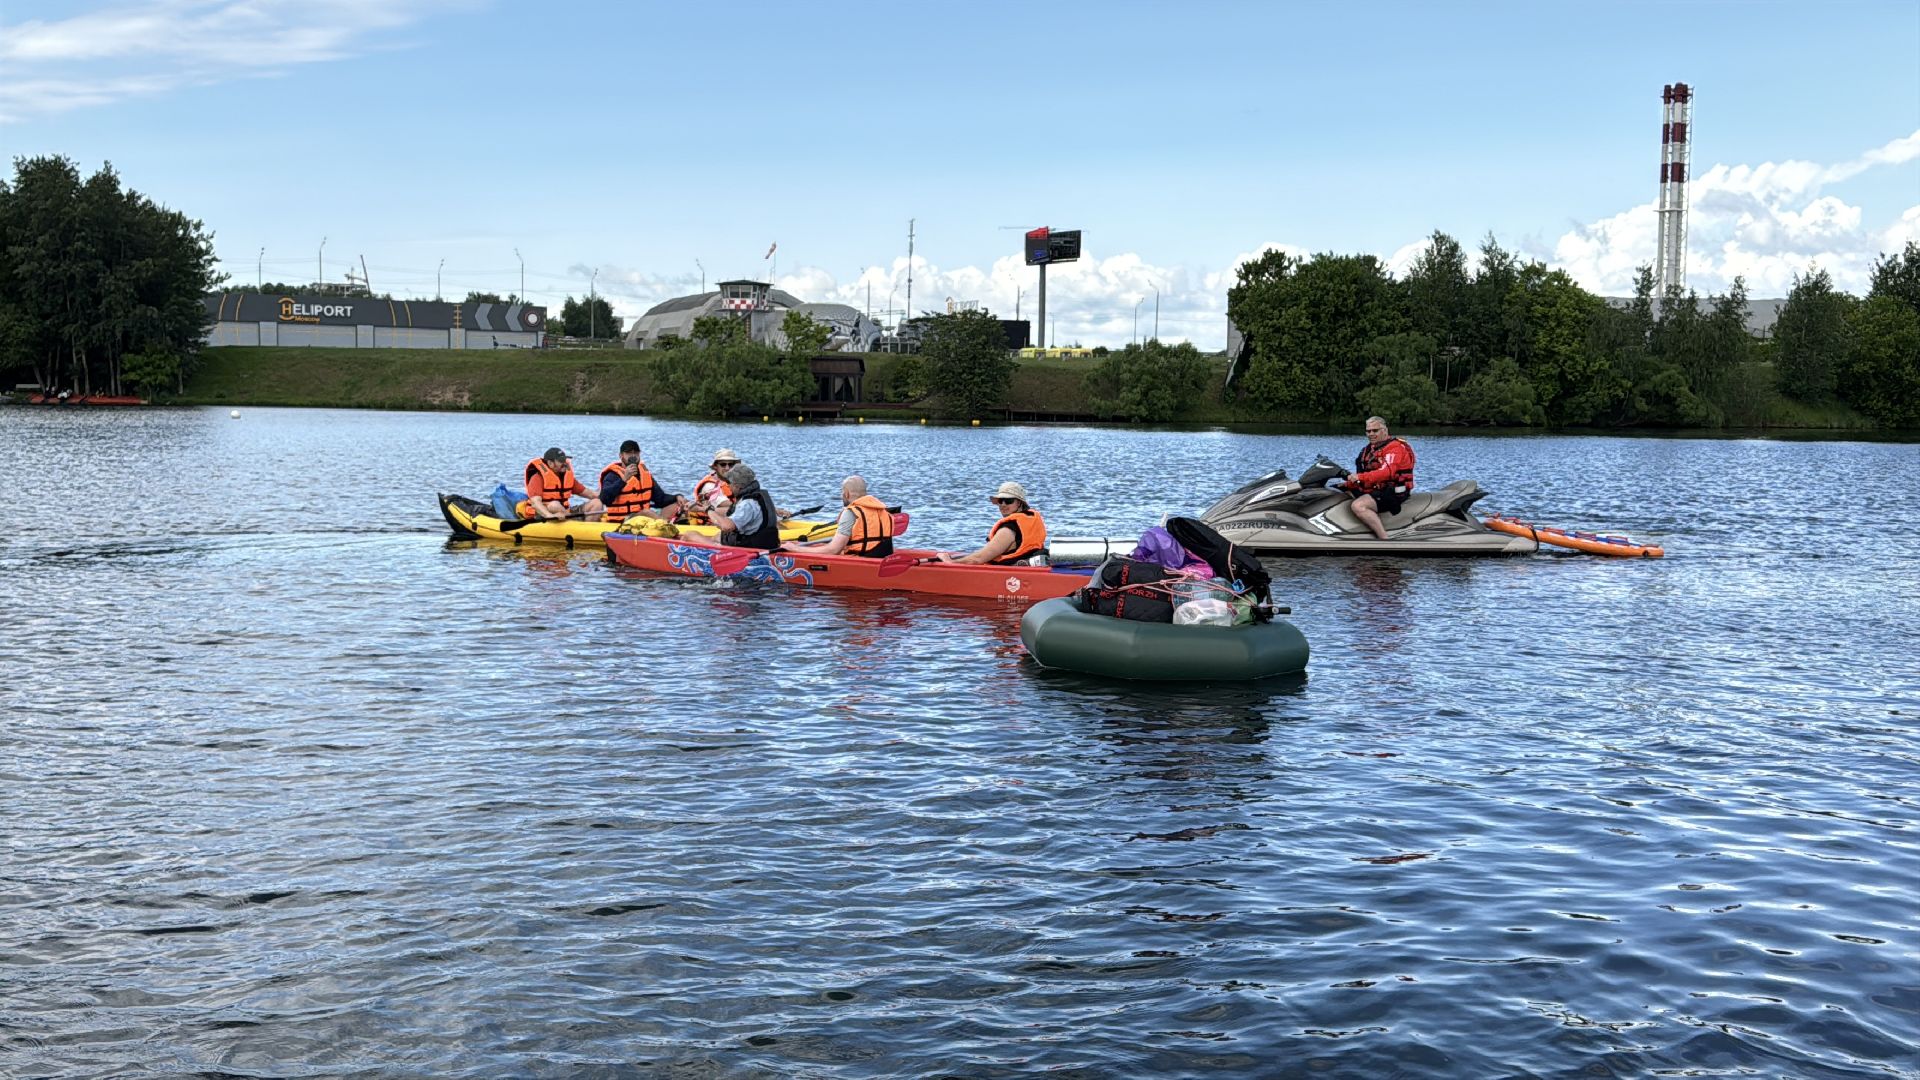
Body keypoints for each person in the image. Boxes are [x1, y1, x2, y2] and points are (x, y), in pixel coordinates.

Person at [1344, 415, 1416, 540]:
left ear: (1385, 430)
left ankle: (1384, 539)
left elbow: (1386, 472)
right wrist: (1347, 483)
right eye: (1368, 431)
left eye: (1375, 430)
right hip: (1377, 489)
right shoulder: (1368, 449)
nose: (1371, 434)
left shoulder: (1395, 448)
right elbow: (1364, 475)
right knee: (1338, 491)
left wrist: (1360, 477)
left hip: (1394, 492)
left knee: (1358, 506)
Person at [939, 481, 1046, 565]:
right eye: (1000, 500)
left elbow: (978, 559)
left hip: (1009, 574)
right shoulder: (1030, 519)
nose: (1003, 504)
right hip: (1027, 565)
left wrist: (950, 562)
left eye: (1008, 501)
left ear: (1019, 503)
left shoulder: (1008, 530)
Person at [791, 475, 894, 558]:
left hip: (861, 560)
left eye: (842, 492)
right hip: (881, 557)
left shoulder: (851, 513)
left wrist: (795, 548)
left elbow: (833, 550)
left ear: (846, 493)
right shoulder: (884, 511)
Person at [598, 439, 687, 524]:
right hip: (624, 520)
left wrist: (677, 497)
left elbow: (660, 499)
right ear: (621, 455)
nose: (633, 456)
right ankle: (667, 527)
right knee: (646, 513)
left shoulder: (645, 474)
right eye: (628, 453)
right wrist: (624, 479)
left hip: (643, 519)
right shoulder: (612, 475)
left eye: (636, 453)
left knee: (678, 504)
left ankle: (677, 524)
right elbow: (604, 499)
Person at [706, 464, 781, 550]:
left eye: (729, 483)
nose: (728, 486)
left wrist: (708, 510)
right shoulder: (761, 497)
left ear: (738, 486)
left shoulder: (747, 503)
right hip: (768, 543)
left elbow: (726, 526)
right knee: (718, 536)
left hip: (750, 547)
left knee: (691, 535)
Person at [519, 447, 604, 521]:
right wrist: (549, 516)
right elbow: (535, 503)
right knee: (554, 505)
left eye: (564, 460)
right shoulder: (537, 478)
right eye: (561, 461)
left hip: (565, 513)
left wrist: (609, 493)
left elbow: (591, 494)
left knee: (597, 503)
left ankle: (585, 531)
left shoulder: (567, 478)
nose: (565, 463)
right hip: (543, 514)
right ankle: (571, 525)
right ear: (550, 463)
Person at [686, 447, 740, 525]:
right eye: (723, 464)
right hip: (711, 524)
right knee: (737, 509)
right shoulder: (709, 486)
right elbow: (728, 505)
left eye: (731, 464)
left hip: (730, 521)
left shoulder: (735, 481)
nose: (727, 468)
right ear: (715, 466)